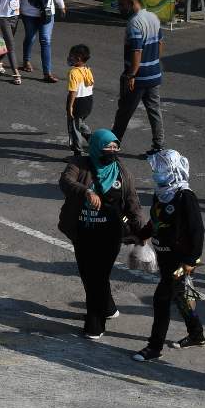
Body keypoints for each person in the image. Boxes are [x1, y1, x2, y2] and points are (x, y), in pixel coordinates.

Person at [58, 129, 149, 339]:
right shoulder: (79, 165)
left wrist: (141, 232)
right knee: (88, 275)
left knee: (97, 277)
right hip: (83, 233)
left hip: (111, 235)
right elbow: (66, 182)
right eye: (108, 147)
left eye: (115, 147)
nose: (112, 151)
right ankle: (108, 308)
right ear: (97, 147)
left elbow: (133, 205)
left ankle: (95, 324)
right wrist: (86, 191)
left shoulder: (122, 172)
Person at [133, 150, 205, 361]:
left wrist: (191, 261)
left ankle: (154, 348)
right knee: (181, 296)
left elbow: (197, 231)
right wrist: (142, 234)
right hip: (164, 257)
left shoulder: (185, 197)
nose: (157, 173)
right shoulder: (161, 193)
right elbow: (157, 219)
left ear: (173, 170)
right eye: (156, 170)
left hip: (180, 260)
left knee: (161, 299)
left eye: (162, 170)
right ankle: (196, 334)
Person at [111, 0, 165, 155]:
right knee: (154, 111)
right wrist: (154, 62)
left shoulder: (134, 23)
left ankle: (113, 144)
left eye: (122, 4)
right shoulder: (153, 17)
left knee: (124, 112)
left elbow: (136, 51)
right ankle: (158, 146)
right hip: (154, 74)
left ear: (132, 2)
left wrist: (131, 74)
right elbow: (160, 43)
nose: (120, 7)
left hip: (138, 77)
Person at [19, 0, 66, 83]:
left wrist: (61, 5)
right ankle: (26, 61)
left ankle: (47, 73)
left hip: (47, 11)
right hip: (29, 13)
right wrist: (17, 9)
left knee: (45, 40)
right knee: (30, 37)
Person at [65, 44, 95, 157]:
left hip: (78, 102)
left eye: (70, 56)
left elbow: (73, 91)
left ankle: (78, 153)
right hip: (88, 101)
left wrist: (70, 107)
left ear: (77, 58)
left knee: (74, 128)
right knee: (79, 123)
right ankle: (91, 138)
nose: (68, 58)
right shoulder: (87, 70)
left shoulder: (73, 72)